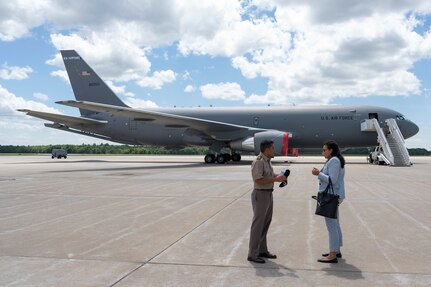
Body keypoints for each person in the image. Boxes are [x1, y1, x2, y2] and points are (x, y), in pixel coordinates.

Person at [247, 140, 287, 264]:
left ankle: (262, 250)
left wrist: (278, 176)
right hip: (260, 195)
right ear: (266, 149)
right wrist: (275, 180)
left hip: (268, 194)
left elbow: (268, 175)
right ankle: (252, 254)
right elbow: (258, 180)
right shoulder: (258, 162)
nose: (274, 150)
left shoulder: (267, 162)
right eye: (272, 148)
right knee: (258, 225)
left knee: (265, 223)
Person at [312, 140, 346, 263]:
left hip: (331, 196)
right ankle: (336, 250)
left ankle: (332, 254)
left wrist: (318, 173)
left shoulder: (334, 161)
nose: (323, 152)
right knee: (335, 224)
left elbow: (333, 180)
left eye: (324, 149)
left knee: (331, 225)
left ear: (331, 150)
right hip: (334, 195)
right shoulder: (334, 160)